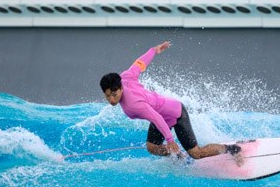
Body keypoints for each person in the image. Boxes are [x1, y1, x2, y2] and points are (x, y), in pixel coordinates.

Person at [100, 41, 240, 159]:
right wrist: (154, 50)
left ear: (121, 88)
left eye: (114, 94)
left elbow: (156, 117)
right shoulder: (125, 77)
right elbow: (139, 64)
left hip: (175, 113)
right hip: (161, 112)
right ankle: (180, 157)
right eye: (107, 95)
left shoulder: (134, 105)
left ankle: (233, 150)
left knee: (196, 153)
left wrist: (170, 140)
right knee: (152, 147)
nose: (112, 99)